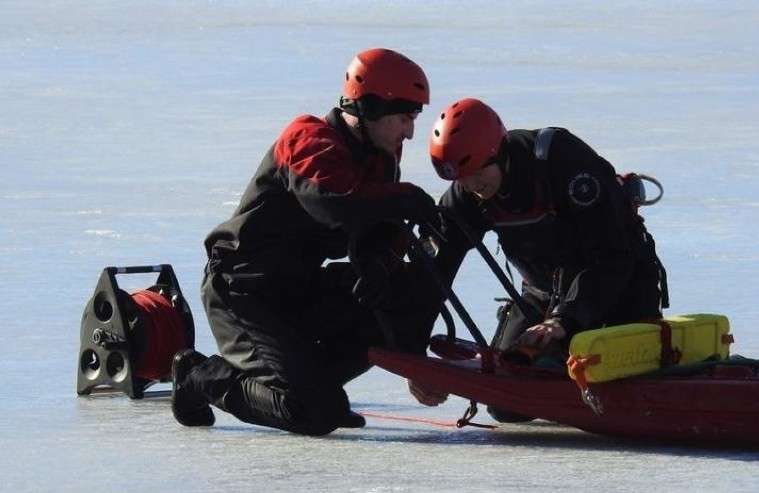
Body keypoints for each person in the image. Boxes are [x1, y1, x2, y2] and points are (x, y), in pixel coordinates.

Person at [171, 48, 441, 436]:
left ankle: (319, 388)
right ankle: (199, 376)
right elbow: (336, 208)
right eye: (403, 118)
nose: (410, 132)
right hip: (243, 289)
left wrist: (380, 262)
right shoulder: (307, 139)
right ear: (368, 107)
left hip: (297, 286)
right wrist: (403, 198)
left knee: (409, 288)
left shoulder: (380, 153)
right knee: (315, 412)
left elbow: (378, 225)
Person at [410, 97, 669, 420]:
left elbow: (613, 257)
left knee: (610, 387)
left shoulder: (560, 161)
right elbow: (434, 272)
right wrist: (415, 356)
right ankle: (556, 353)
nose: (471, 186)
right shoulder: (468, 191)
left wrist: (563, 321)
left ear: (498, 153)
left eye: (477, 173)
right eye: (460, 179)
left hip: (617, 289)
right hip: (544, 294)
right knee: (506, 401)